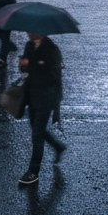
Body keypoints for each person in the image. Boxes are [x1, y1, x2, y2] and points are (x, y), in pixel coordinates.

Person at [17, 34, 67, 186]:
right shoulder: (29, 46)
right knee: (37, 129)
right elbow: (23, 68)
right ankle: (58, 146)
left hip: (47, 97)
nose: (29, 33)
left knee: (37, 134)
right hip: (32, 95)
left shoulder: (52, 50)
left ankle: (33, 171)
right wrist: (23, 65)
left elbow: (52, 75)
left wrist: (33, 66)